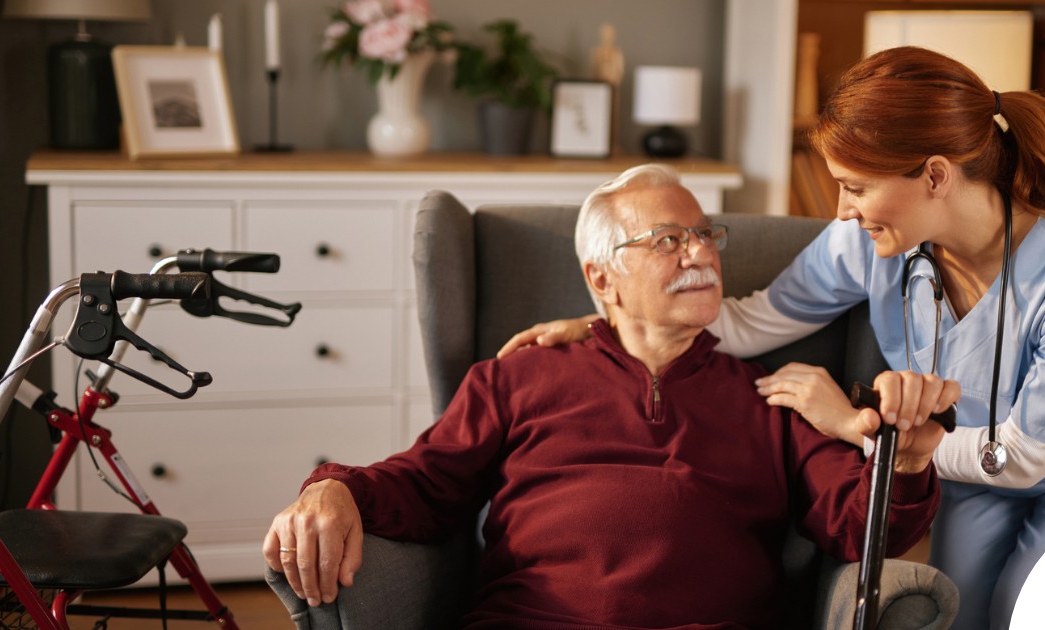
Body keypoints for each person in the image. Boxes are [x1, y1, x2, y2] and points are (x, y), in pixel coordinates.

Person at [497, 47, 1045, 629]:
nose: (841, 209)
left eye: (855, 186)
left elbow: (1025, 459)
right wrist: (613, 326)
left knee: (1034, 607)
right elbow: (750, 320)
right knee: (957, 607)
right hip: (969, 455)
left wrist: (855, 426)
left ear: (935, 176)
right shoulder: (868, 241)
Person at [264, 163, 948, 629]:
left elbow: (860, 525)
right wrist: (333, 488)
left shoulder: (773, 398)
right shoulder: (516, 377)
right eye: (667, 241)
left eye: (706, 235)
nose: (700, 255)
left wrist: (910, 459)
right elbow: (425, 483)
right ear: (604, 278)